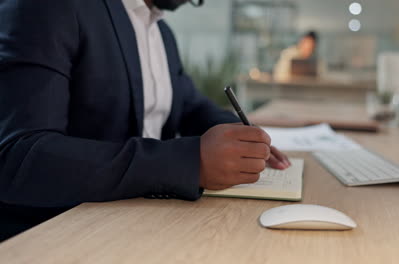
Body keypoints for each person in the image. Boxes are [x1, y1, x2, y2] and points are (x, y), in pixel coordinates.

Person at [0, 0, 291, 242]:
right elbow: (21, 155)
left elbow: (191, 106)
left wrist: (239, 136)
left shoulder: (161, 33)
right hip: (60, 235)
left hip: (143, 224)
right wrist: (190, 162)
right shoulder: (48, 7)